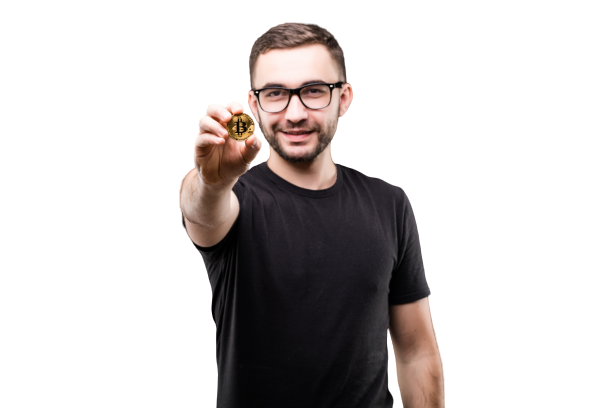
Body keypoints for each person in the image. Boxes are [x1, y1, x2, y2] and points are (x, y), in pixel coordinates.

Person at [178, 22, 445, 408]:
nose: (295, 112)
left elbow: (417, 352)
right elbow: (199, 210)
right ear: (254, 105)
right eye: (275, 94)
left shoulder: (390, 203)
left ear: (344, 98)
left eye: (314, 91)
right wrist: (212, 183)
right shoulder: (236, 200)